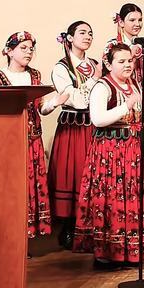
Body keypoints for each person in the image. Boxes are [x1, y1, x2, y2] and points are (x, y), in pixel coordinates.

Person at [0, 31, 69, 239]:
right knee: (13, 185)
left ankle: (27, 232)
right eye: (23, 48)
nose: (28, 52)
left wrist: (55, 102)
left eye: (31, 48)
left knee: (31, 184)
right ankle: (9, 232)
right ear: (9, 51)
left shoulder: (35, 75)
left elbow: (41, 108)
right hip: (9, 142)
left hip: (33, 139)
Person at [76, 43, 144, 269]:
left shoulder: (133, 84)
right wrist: (126, 106)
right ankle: (105, 254)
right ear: (109, 64)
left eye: (130, 61)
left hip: (130, 152)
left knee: (128, 198)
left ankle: (127, 250)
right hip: (109, 153)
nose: (128, 65)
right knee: (109, 199)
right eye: (121, 61)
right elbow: (98, 119)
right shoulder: (103, 86)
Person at [49, 21, 100, 249]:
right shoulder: (62, 68)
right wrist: (94, 80)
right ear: (69, 38)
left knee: (92, 174)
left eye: (90, 33)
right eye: (82, 33)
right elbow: (77, 100)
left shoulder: (94, 64)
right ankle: (70, 226)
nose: (87, 36)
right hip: (73, 127)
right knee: (73, 174)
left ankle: (92, 226)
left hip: (93, 126)